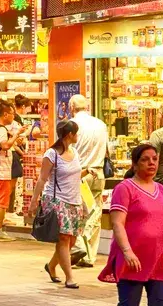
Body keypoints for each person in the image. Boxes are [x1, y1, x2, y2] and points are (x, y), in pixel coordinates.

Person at [100, 144, 163, 306]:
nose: (151, 163)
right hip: (133, 261)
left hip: (159, 261)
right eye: (145, 160)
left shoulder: (160, 189)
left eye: (154, 159)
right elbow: (117, 224)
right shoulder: (124, 188)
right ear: (135, 165)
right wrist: (128, 252)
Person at [27, 120, 86, 289]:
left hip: (74, 201)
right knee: (64, 239)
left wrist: (88, 172)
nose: (77, 135)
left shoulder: (74, 152)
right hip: (57, 200)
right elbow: (42, 179)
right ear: (70, 135)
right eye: (76, 133)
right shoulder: (51, 154)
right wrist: (33, 202)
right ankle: (69, 277)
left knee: (72, 240)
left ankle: (52, 266)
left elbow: (74, 175)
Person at [68, 94, 108, 268]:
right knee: (94, 212)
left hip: (80, 175)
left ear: (71, 107)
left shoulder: (71, 125)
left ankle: (78, 248)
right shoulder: (100, 124)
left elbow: (66, 152)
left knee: (78, 212)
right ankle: (89, 255)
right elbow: (107, 151)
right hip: (98, 173)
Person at [0, 101, 30, 242]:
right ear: (5, 114)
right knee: (0, 202)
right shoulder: (0, 130)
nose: (13, 117)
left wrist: (16, 134)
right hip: (0, 170)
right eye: (12, 114)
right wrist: (16, 135)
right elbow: (5, 145)